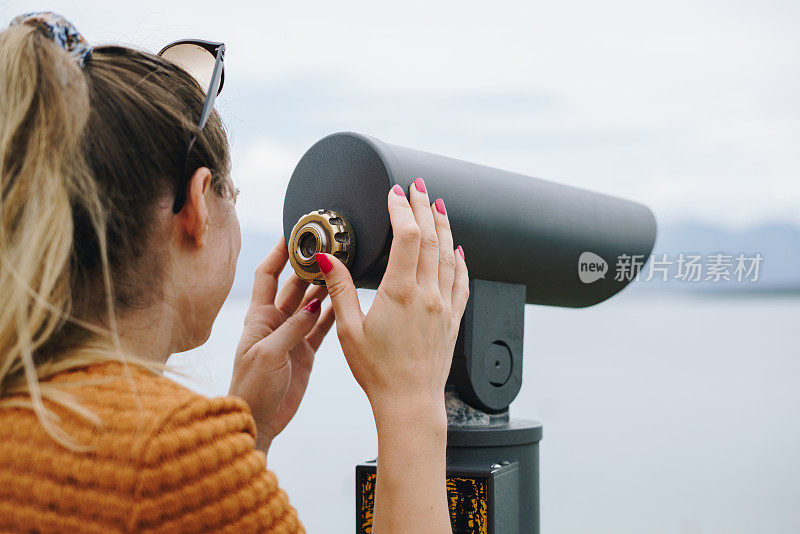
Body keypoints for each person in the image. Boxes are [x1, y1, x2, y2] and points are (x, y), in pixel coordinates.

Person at [0, 12, 468, 533]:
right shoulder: (168, 457)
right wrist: (410, 403)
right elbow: (151, 486)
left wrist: (248, 434)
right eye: (233, 195)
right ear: (198, 206)